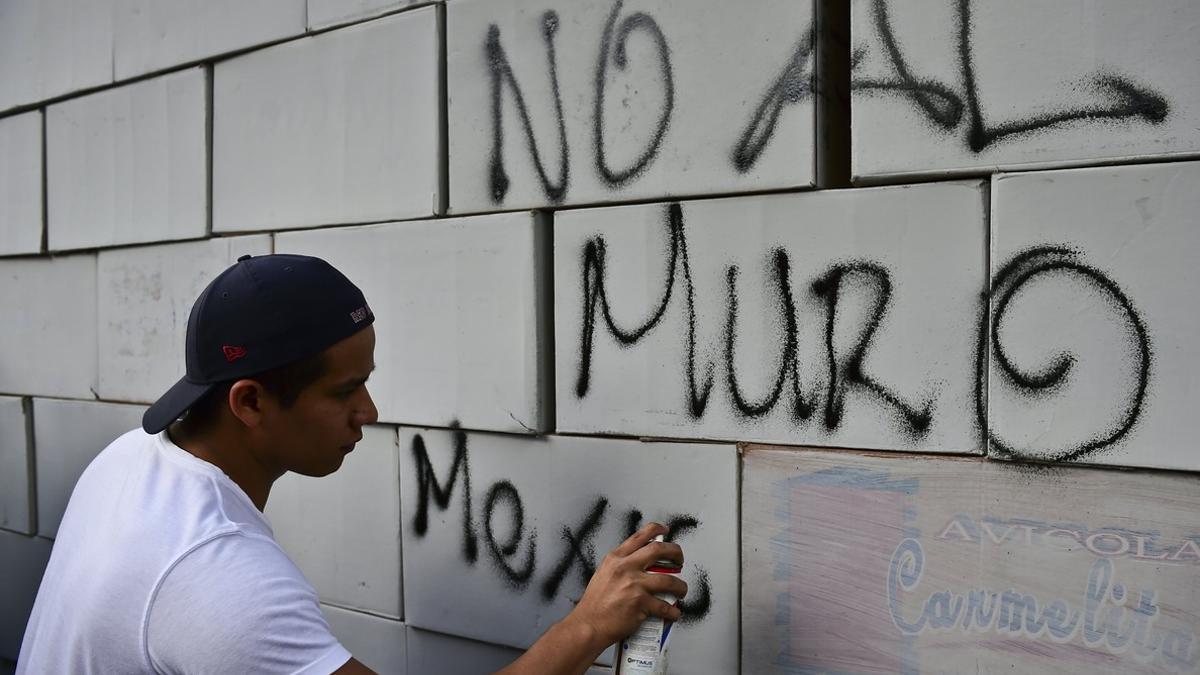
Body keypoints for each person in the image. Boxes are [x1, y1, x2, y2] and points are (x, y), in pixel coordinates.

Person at [17, 254, 686, 674]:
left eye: (365, 380)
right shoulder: (216, 582)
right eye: (343, 391)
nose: (368, 410)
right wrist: (589, 626)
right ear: (249, 401)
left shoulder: (133, 457)